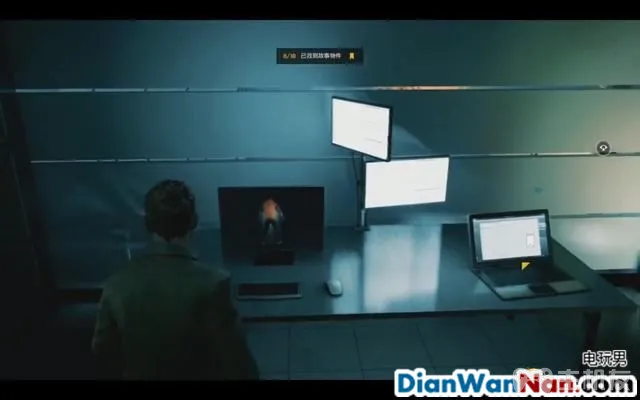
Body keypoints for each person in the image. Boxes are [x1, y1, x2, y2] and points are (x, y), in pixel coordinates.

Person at [91, 179, 259, 380]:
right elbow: (238, 364)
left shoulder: (117, 284)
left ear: (147, 224)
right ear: (193, 222)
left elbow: (103, 352)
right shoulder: (214, 284)